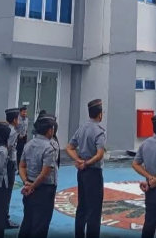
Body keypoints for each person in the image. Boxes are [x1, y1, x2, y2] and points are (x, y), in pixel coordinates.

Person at [66, 99, 106, 238]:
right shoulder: (99, 132)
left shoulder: (82, 129)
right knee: (94, 209)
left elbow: (69, 147)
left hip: (82, 172)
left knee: (82, 206)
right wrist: (87, 163)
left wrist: (78, 160)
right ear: (99, 114)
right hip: (93, 172)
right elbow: (99, 154)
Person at [18, 115, 59, 238]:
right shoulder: (49, 148)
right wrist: (33, 186)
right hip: (44, 189)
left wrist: (26, 182)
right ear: (50, 131)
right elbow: (44, 173)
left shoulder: (29, 144)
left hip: (29, 185)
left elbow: (22, 166)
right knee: (40, 224)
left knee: (28, 220)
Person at [5, 108, 22, 230]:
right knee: (7, 191)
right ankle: (5, 218)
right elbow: (8, 148)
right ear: (15, 120)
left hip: (8, 163)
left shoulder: (6, 129)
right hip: (9, 163)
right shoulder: (13, 132)